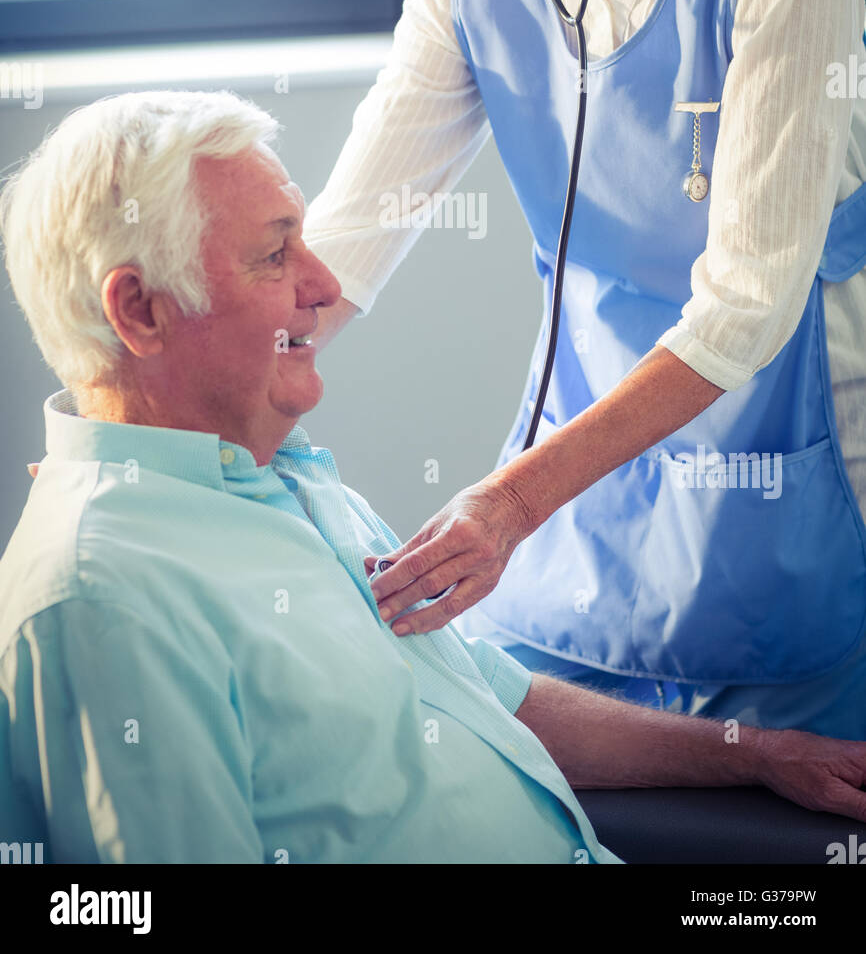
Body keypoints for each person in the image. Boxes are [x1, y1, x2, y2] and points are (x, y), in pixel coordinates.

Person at [1, 90, 865, 864]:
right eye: (274, 256)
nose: (324, 284)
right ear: (140, 310)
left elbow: (492, 699)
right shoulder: (98, 602)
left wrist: (753, 753)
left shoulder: (281, 478)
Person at [300, 0, 866, 737]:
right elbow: (342, 245)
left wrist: (505, 503)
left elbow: (746, 309)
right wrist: (144, 425)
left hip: (787, 473)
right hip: (579, 497)